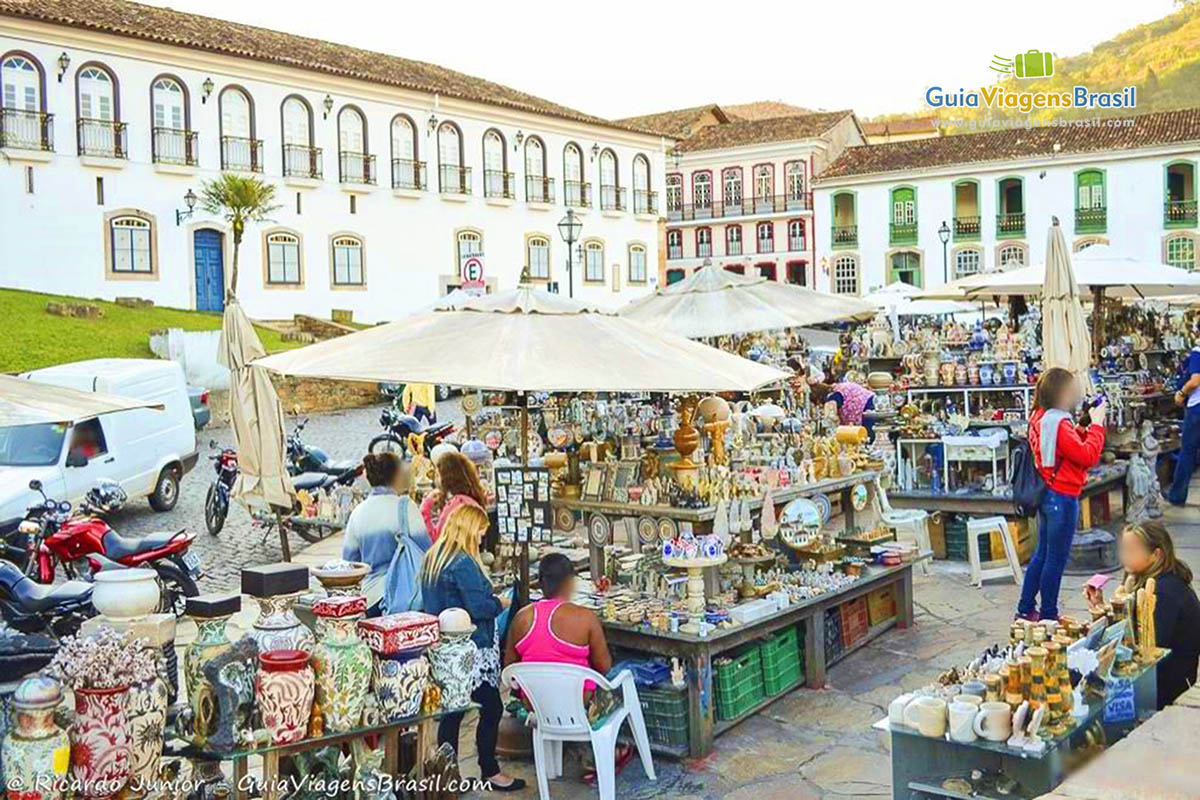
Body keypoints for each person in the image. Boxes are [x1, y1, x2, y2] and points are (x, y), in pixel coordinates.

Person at [421, 497, 522, 792]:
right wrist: (500, 602)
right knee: (491, 706)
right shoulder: (463, 562)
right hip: (471, 651)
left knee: (453, 712)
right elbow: (479, 607)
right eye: (479, 531)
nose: (482, 536)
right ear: (467, 529)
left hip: (445, 649)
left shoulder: (435, 557)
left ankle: (447, 776)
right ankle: (489, 770)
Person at [504, 554, 634, 777]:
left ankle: (579, 755)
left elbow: (510, 670)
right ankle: (609, 750)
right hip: (580, 710)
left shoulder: (521, 618)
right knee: (623, 682)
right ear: (570, 582)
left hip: (537, 709)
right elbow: (604, 667)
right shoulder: (585, 617)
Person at [1016, 367, 1106, 622]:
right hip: (1062, 496)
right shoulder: (1058, 422)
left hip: (1047, 493)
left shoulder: (1039, 416)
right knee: (1055, 559)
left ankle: (1025, 609)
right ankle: (1048, 615)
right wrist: (1097, 426)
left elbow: (1060, 448)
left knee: (1042, 554)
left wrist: (1081, 426)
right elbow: (1087, 456)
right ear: (1062, 393)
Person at [1084, 521, 1200, 707]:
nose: (1125, 557)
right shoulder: (1145, 579)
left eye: (1132, 551)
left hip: (1168, 682)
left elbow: (1146, 649)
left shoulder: (1164, 592)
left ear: (1156, 554)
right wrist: (1102, 607)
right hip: (1161, 674)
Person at [342, 452, 430, 615]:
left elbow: (349, 563)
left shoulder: (358, 513)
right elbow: (426, 553)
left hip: (371, 598)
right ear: (397, 476)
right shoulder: (405, 507)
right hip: (407, 595)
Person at [421, 450, 488, 542]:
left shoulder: (455, 504)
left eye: (437, 475)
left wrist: (426, 506)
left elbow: (435, 538)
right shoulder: (469, 500)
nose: (435, 479)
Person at [1166, 341, 1200, 506]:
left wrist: (1181, 393)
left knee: (1187, 452)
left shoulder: (1198, 351)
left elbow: (1195, 380)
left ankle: (1177, 496)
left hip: (1197, 409)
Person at [810, 380, 877, 434]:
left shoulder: (833, 396)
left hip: (865, 409)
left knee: (870, 437)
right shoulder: (839, 388)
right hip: (871, 401)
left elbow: (830, 415)